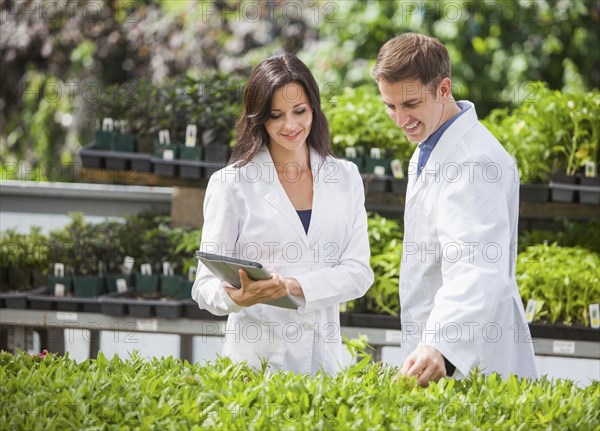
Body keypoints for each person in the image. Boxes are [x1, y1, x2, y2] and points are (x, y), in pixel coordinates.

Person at [371, 33, 538, 385]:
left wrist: (439, 344)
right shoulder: (429, 146)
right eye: (390, 106)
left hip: (469, 353)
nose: (401, 119)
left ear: (444, 89)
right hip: (445, 349)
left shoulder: (473, 161)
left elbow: (477, 266)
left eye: (411, 104)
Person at [192, 53, 374, 375]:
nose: (290, 125)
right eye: (276, 115)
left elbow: (359, 272)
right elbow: (205, 286)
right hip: (255, 363)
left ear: (314, 108)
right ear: (258, 118)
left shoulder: (345, 177)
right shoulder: (231, 184)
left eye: (300, 111)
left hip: (324, 361)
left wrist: (291, 286)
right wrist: (240, 297)